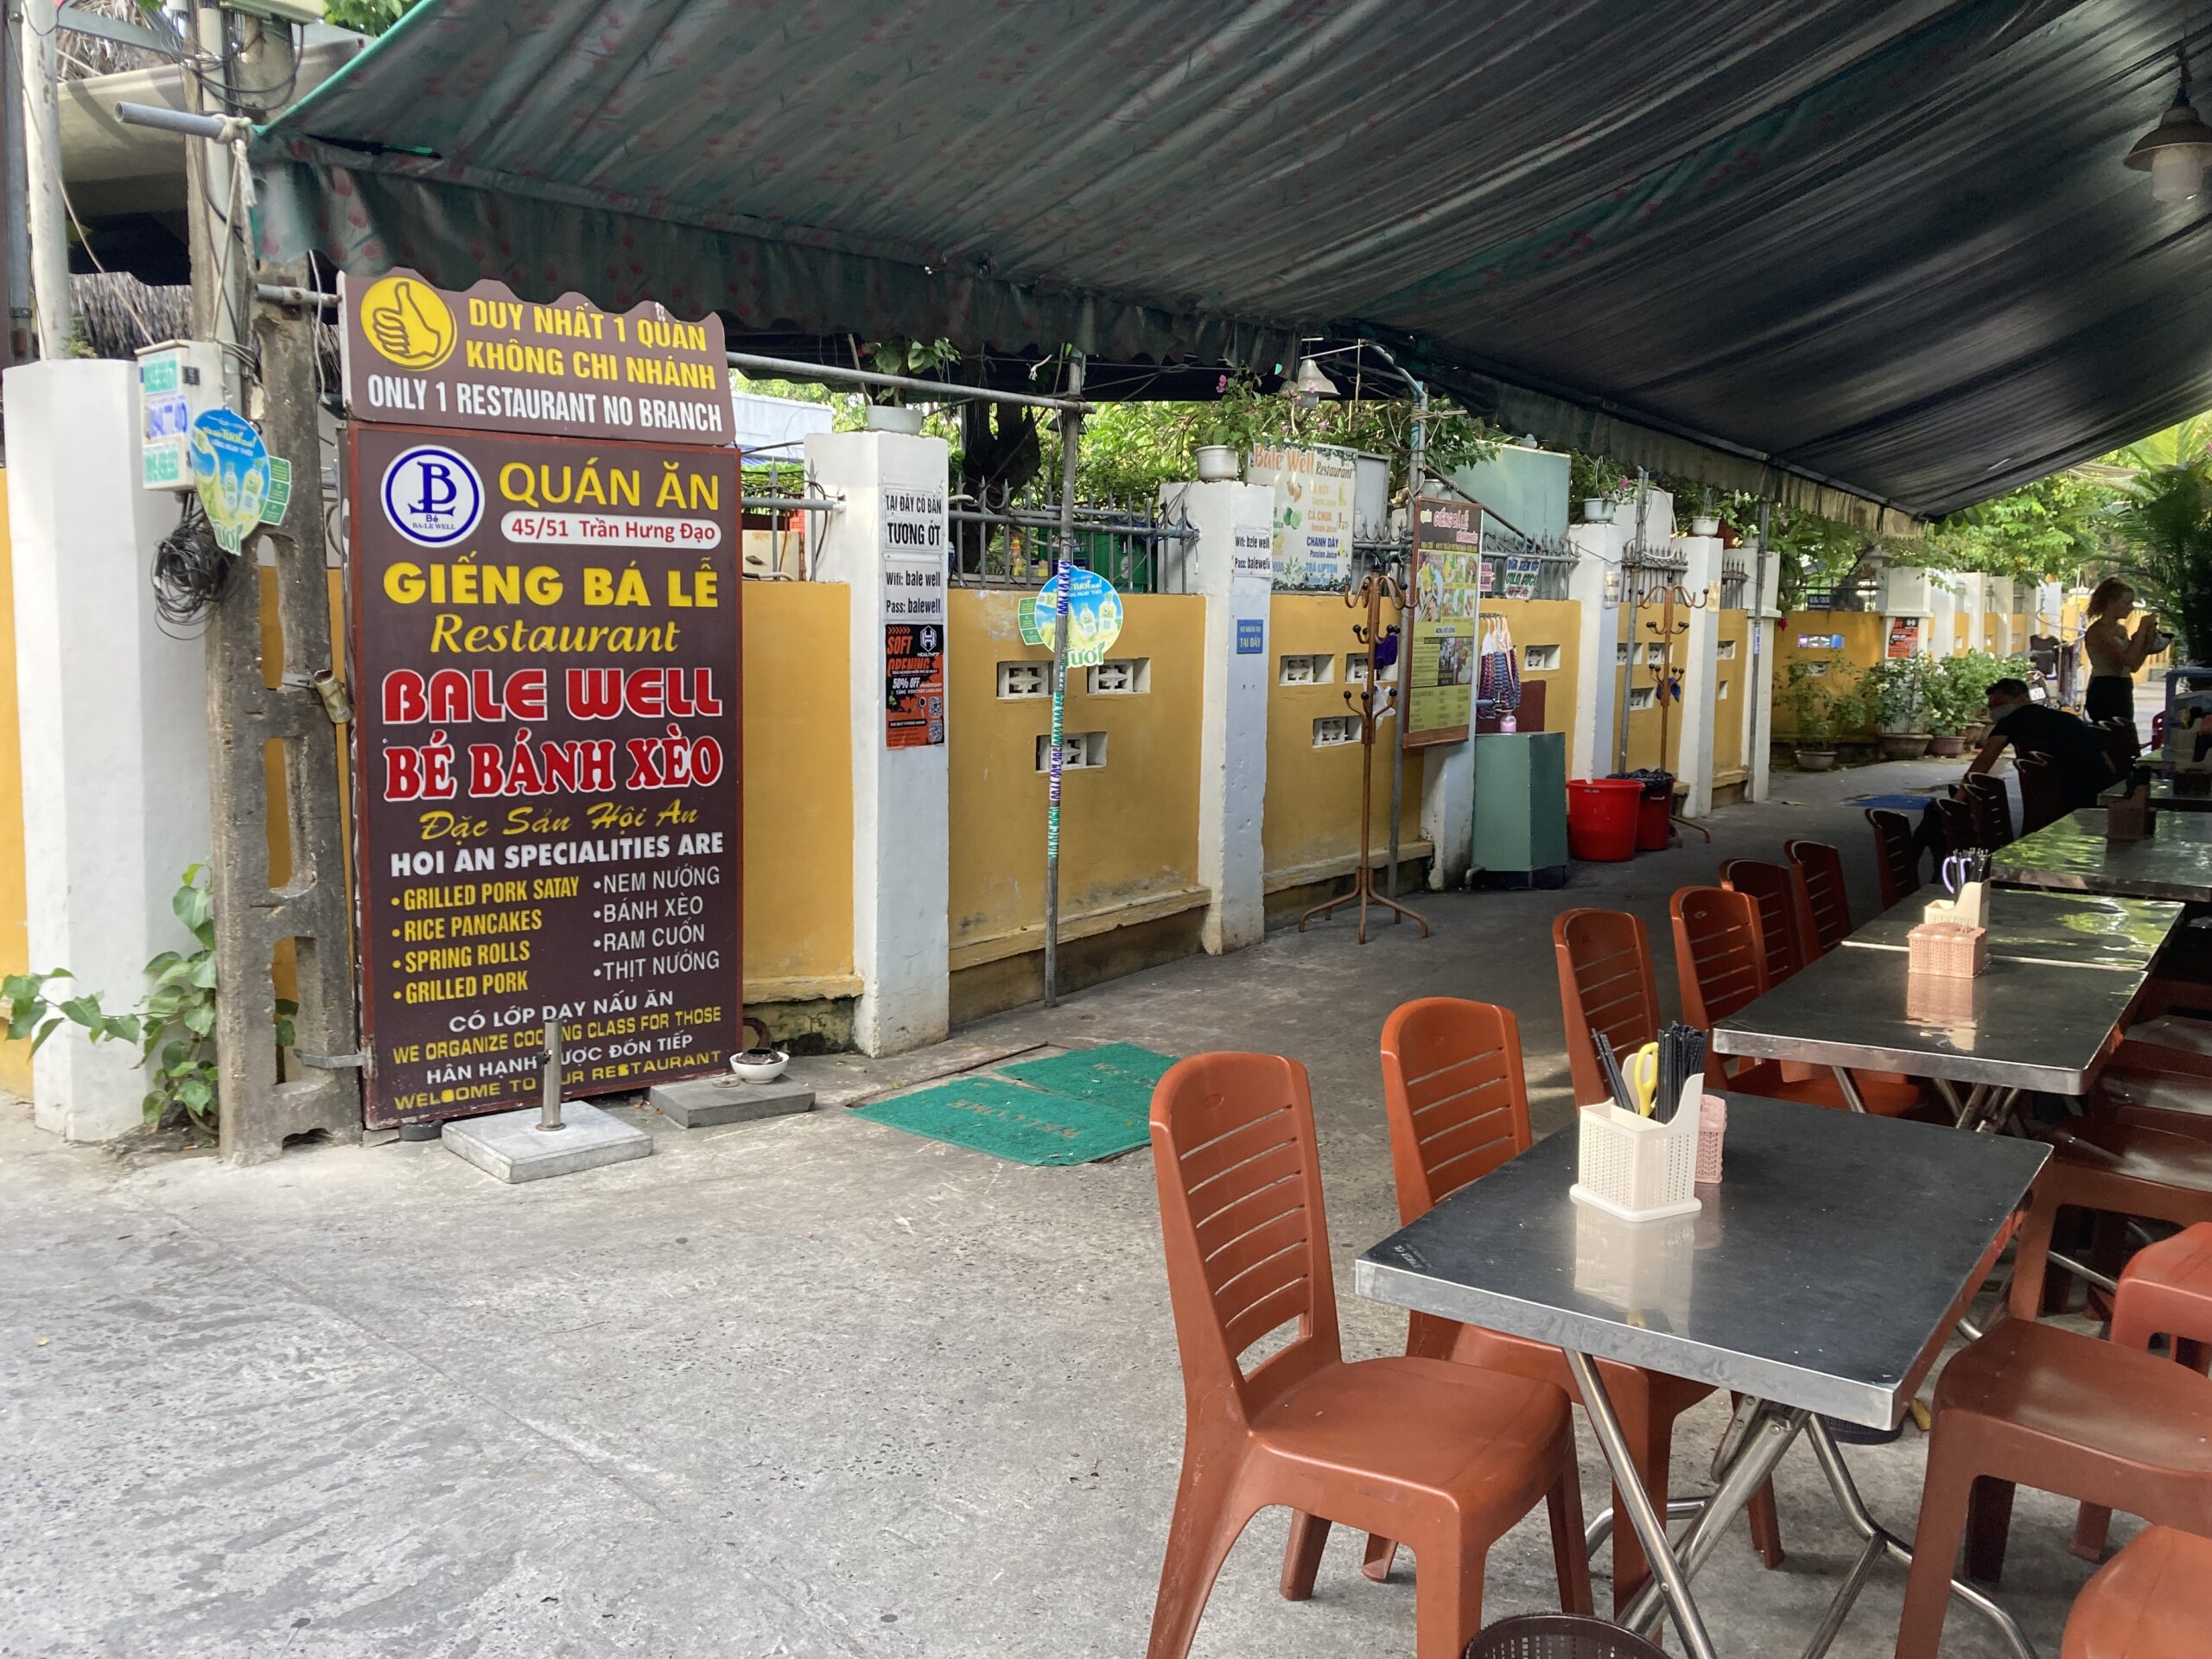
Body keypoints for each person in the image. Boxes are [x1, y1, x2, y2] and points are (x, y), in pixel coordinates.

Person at [1970, 677, 2118, 809]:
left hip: (2066, 793)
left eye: (1999, 703)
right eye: (1991, 706)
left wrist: (1961, 798)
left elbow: (1984, 760)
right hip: (2104, 788)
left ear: (2022, 698)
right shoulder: (2066, 718)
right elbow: (2105, 758)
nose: (1995, 709)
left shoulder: (2011, 720)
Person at [2081, 576, 2165, 734]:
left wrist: (2147, 642)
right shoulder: (2099, 631)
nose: (2131, 608)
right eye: (2126, 603)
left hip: (2123, 685)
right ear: (2110, 603)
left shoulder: (2120, 630)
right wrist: (2142, 629)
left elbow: (2134, 666)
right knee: (2109, 736)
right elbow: (2127, 659)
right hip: (2105, 687)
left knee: (2124, 734)